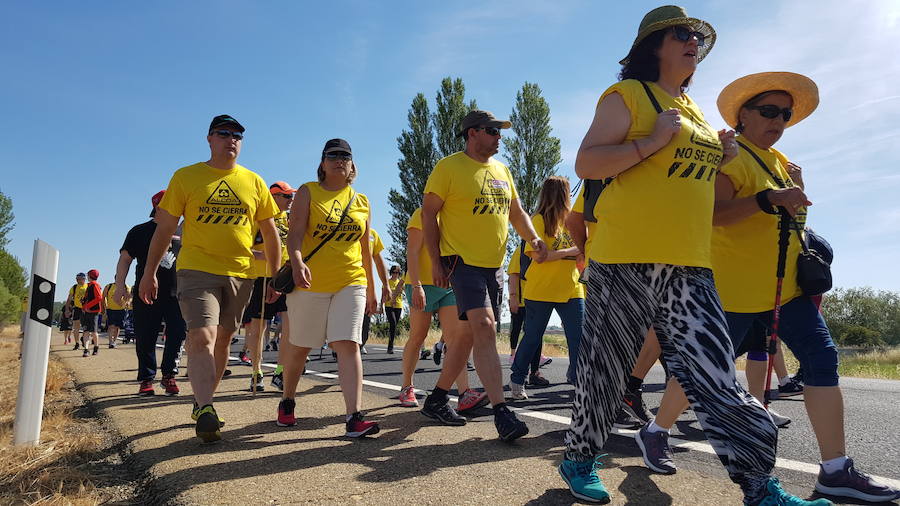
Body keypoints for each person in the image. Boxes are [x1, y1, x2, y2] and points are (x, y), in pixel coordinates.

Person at [559, 7, 829, 505]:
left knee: (715, 377)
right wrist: (653, 140)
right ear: (653, 45)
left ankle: (759, 486)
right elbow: (588, 161)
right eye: (681, 35)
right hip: (626, 258)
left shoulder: (695, 109)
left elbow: (690, 179)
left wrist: (720, 157)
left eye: (697, 38)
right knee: (607, 368)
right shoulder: (630, 96)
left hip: (691, 263)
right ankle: (578, 459)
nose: (693, 44)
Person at [705, 72, 895, 502]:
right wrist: (767, 199)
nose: (779, 120)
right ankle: (657, 430)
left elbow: (793, 226)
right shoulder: (729, 155)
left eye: (785, 114)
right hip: (734, 292)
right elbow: (713, 215)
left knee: (823, 358)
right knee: (705, 377)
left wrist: (797, 193)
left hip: (785, 290)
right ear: (743, 116)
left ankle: (835, 470)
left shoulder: (781, 161)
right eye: (768, 111)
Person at [139, 115, 283, 443]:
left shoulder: (254, 181)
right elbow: (164, 229)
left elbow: (270, 233)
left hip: (240, 273)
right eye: (224, 134)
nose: (231, 140)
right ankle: (205, 407)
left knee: (223, 339)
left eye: (237, 136)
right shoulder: (187, 177)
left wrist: (275, 277)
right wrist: (149, 273)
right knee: (202, 336)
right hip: (196, 269)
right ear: (209, 139)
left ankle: (204, 401)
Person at [420, 109, 547, 442]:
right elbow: (428, 214)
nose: (499, 137)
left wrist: (532, 238)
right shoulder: (448, 167)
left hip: (494, 266)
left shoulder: (503, 170)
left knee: (464, 336)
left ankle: (436, 399)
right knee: (485, 326)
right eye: (492, 131)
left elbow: (516, 212)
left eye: (500, 131)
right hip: (461, 261)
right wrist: (435, 260)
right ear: (472, 133)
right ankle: (502, 412)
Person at [277, 138, 379, 438]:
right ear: (322, 162)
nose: (339, 160)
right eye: (333, 155)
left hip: (351, 281)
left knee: (348, 344)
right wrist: (296, 262)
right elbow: (294, 235)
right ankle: (288, 399)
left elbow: (365, 251)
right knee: (300, 348)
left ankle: (354, 416)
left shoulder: (361, 202)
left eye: (345, 156)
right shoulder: (309, 191)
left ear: (352, 165)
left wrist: (372, 288)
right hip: (310, 283)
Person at [398, 206, 488, 413]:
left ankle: (464, 393)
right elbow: (412, 251)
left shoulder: (457, 216)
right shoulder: (423, 213)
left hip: (449, 285)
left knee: (456, 339)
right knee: (418, 337)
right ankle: (407, 387)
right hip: (423, 284)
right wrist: (416, 285)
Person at [508, 176, 583, 399]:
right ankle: (517, 378)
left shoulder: (572, 221)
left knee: (579, 337)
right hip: (541, 289)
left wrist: (561, 254)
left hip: (571, 288)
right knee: (532, 336)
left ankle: (578, 377)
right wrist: (571, 251)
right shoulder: (538, 220)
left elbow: (582, 249)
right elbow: (540, 257)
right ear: (561, 194)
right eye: (567, 192)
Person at [118, 190, 187, 397]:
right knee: (145, 335)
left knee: (177, 333)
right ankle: (147, 379)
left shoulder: (184, 232)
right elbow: (125, 260)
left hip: (177, 294)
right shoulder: (139, 231)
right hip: (146, 291)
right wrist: (120, 285)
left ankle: (169, 375)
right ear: (159, 206)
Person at [243, 181, 294, 392]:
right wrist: (260, 255)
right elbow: (241, 245)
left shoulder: (290, 220)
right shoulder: (259, 218)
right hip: (261, 278)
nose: (291, 201)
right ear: (274, 197)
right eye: (287, 196)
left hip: (286, 278)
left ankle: (280, 371)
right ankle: (256, 371)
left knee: (289, 328)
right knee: (258, 329)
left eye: (292, 197)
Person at [359, 228, 391, 354]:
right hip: (341, 282)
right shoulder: (345, 227)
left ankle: (356, 347)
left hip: (364, 286)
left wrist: (386, 284)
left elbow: (378, 260)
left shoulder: (373, 234)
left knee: (364, 325)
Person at [80, 269, 104, 357]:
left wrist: (88, 306)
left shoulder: (95, 285)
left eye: (88, 275)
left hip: (93, 312)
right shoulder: (90, 285)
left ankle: (96, 347)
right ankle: (86, 350)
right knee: (86, 331)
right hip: (87, 311)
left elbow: (99, 297)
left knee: (94, 332)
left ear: (90, 276)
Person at [103, 282, 129, 348]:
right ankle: (110, 342)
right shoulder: (109, 286)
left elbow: (129, 297)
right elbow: (103, 296)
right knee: (111, 326)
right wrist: (105, 306)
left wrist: (127, 303)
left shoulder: (126, 287)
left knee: (117, 327)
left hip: (121, 310)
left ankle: (114, 341)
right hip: (110, 309)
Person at [384, 265, 404, 353]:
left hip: (398, 306)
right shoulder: (387, 282)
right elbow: (383, 295)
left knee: (394, 326)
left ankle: (391, 344)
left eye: (397, 273)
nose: (395, 274)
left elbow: (404, 291)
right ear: (391, 272)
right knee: (393, 323)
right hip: (388, 305)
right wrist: (380, 306)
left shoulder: (400, 282)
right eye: (394, 272)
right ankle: (390, 347)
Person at [65, 273, 88, 350]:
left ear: (84, 279)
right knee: (76, 327)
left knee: (86, 327)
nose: (77, 280)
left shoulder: (88, 286)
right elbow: (69, 299)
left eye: (79, 279)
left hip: (86, 309)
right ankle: (77, 343)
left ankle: (83, 339)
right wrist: (67, 309)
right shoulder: (74, 287)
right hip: (77, 308)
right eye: (76, 279)